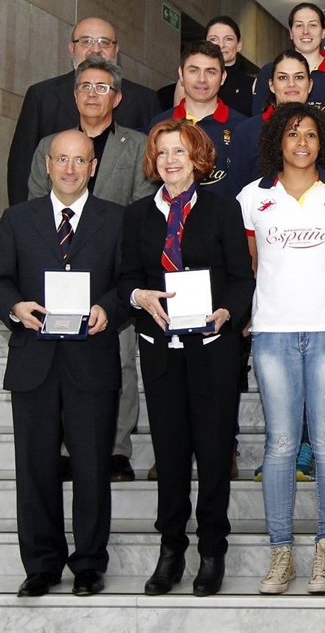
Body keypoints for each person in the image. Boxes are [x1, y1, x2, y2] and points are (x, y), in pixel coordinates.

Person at [0, 130, 126, 598]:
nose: (69, 168)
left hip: (91, 360)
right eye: (61, 159)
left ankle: (88, 564)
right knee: (35, 469)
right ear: (47, 164)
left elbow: (128, 282)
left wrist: (109, 307)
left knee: (91, 468)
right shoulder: (17, 219)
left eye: (79, 160)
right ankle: (41, 565)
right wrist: (15, 307)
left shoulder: (116, 219)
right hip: (35, 363)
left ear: (93, 167)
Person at [120, 119, 255, 597]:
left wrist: (228, 312)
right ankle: (171, 549)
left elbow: (242, 278)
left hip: (213, 351)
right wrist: (139, 296)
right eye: (162, 153)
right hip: (161, 352)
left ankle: (212, 549)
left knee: (215, 455)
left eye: (179, 151)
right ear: (153, 162)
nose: (170, 160)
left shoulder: (222, 210)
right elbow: (125, 278)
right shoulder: (137, 216)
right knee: (170, 454)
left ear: (197, 158)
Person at [237, 103, 325, 595]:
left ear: (323, 141)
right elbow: (249, 263)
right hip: (274, 334)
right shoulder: (253, 197)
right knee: (281, 444)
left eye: (310, 134)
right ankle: (281, 552)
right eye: (292, 134)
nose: (302, 142)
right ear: (277, 142)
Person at [28, 56, 157, 483]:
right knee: (63, 364)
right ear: (75, 94)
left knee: (119, 362)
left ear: (116, 98)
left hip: (112, 270)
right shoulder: (51, 145)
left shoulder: (136, 145)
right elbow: (34, 206)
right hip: (58, 271)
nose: (92, 94)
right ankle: (69, 449)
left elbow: (140, 208)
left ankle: (116, 450)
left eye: (102, 87)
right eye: (85, 86)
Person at [240, 49, 322, 485]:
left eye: (299, 77)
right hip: (270, 276)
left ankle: (306, 447)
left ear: (310, 84)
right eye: (283, 77)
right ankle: (281, 449)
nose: (291, 85)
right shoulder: (247, 131)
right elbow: (244, 219)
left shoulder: (322, 131)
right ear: (270, 85)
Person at [7, 16, 160, 205]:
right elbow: (21, 165)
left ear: (116, 50)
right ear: (72, 48)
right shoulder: (42, 95)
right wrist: (23, 218)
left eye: (104, 42)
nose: (95, 49)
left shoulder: (144, 100)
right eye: (86, 41)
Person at [145, 41, 252, 198]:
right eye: (193, 71)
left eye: (211, 72)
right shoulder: (159, 125)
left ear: (223, 77)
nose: (202, 79)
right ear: (181, 74)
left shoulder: (243, 128)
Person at [252, 2, 325, 120]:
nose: (306, 31)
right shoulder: (270, 71)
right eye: (299, 25)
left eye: (313, 25)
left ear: (323, 32)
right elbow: (259, 119)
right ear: (291, 33)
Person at [206, 16, 255, 117]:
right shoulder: (190, 81)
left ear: (239, 45)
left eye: (228, 39)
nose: (221, 45)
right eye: (213, 39)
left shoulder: (253, 85)